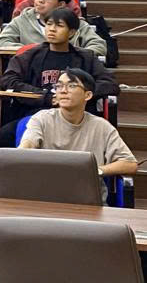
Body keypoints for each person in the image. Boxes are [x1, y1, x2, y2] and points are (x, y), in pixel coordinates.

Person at [0, 8, 118, 146]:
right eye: (49, 24)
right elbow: (8, 80)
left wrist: (77, 94)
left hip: (76, 116)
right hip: (37, 112)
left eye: (59, 25)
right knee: (6, 133)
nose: (52, 29)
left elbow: (110, 84)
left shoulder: (86, 57)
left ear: (72, 32)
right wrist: (47, 97)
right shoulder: (30, 56)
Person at [19, 67, 135, 201]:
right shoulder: (41, 118)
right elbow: (28, 144)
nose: (63, 91)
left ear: (88, 95)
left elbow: (130, 164)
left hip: (87, 200)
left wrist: (97, 171)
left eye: (71, 86)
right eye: (59, 86)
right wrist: (24, 150)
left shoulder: (102, 127)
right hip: (45, 197)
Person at [0, 0, 106, 56]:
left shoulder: (75, 23)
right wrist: (34, 51)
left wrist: (71, 54)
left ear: (61, 4)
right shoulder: (22, 20)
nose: (40, 0)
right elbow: (2, 42)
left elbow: (99, 46)